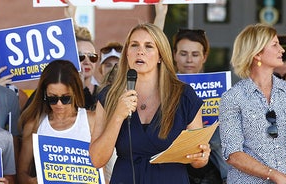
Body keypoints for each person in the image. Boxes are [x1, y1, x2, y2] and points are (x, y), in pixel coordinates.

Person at [90, 23, 210, 184]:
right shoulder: (109, 96)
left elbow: (197, 160)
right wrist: (117, 116)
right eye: (134, 45)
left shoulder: (184, 95)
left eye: (148, 46)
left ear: (161, 56)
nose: (140, 51)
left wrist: (201, 156)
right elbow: (97, 160)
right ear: (126, 53)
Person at [219, 23, 286, 184]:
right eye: (275, 45)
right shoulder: (232, 97)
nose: (282, 50)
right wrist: (276, 176)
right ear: (257, 54)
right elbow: (233, 153)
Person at [17, 60, 95, 184]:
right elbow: (21, 174)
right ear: (44, 94)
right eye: (52, 98)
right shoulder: (35, 124)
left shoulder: (91, 120)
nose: (59, 104)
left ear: (75, 93)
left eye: (65, 98)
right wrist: (33, 181)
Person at [172, 28, 226, 184]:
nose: (189, 60)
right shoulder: (163, 88)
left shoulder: (220, 88)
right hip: (175, 167)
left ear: (204, 57)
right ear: (174, 54)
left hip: (212, 168)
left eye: (195, 55)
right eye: (183, 54)